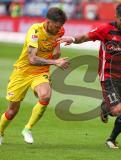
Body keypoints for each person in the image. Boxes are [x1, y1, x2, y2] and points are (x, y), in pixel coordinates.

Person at [58, 3, 121, 149]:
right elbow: (86, 36)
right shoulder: (105, 29)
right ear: (116, 17)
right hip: (108, 75)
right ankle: (105, 107)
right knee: (117, 110)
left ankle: (111, 139)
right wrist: (72, 39)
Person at [0, 7, 69, 145]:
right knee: (12, 111)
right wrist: (55, 62)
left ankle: (27, 129)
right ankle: (0, 132)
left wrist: (58, 48)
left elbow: (56, 52)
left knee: (45, 95)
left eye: (60, 26)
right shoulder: (35, 31)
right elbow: (32, 59)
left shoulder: (60, 31)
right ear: (48, 21)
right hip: (22, 72)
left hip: (40, 72)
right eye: (56, 26)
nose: (58, 29)